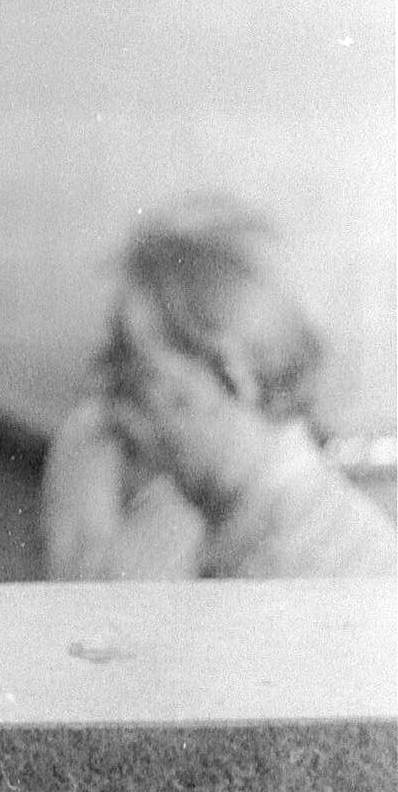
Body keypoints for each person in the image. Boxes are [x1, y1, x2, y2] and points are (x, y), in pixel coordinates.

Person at [40, 207, 397, 583]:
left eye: (138, 374)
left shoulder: (355, 569)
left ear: (234, 373)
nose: (116, 408)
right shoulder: (181, 536)